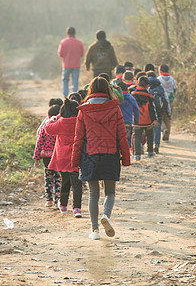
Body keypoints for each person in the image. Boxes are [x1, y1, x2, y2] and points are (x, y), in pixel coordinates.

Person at [71, 77, 131, 240]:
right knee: (110, 193)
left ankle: (95, 230)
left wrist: (75, 161)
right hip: (110, 154)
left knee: (93, 194)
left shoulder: (83, 110)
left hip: (90, 155)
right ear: (108, 90)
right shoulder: (115, 108)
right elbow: (122, 136)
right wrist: (126, 158)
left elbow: (78, 138)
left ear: (90, 90)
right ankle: (106, 215)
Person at [45, 99, 83, 218]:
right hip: (75, 157)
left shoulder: (60, 122)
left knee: (65, 181)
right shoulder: (79, 122)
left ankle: (63, 206)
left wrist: (55, 117)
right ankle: (76, 208)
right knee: (77, 183)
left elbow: (47, 128)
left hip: (62, 158)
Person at [33, 104, 62, 207]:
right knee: (58, 178)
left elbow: (39, 142)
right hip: (58, 157)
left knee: (48, 178)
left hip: (46, 158)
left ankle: (49, 199)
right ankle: (58, 199)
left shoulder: (45, 127)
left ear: (48, 116)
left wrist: (37, 157)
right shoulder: (60, 127)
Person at [132, 76, 158, 160]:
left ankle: (137, 155)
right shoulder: (149, 96)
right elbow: (152, 109)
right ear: (147, 85)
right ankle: (150, 152)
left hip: (137, 119)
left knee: (137, 137)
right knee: (150, 135)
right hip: (147, 120)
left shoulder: (132, 94)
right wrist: (154, 119)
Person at [58, 27, 84, 97]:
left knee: (65, 80)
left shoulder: (63, 42)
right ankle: (74, 96)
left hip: (66, 65)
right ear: (75, 33)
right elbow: (82, 54)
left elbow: (60, 54)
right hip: (76, 65)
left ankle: (65, 95)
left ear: (67, 33)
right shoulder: (79, 42)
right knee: (75, 81)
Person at [148, 76, 169, 154]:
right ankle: (156, 144)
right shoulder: (161, 89)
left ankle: (150, 145)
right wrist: (167, 112)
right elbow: (165, 100)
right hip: (160, 111)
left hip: (151, 111)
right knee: (158, 126)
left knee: (150, 127)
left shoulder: (149, 89)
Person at [157, 64, 177, 142]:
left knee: (160, 117)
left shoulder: (158, 79)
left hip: (161, 101)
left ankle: (163, 128)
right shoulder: (172, 79)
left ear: (160, 71)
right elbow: (175, 90)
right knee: (168, 118)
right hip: (170, 100)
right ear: (168, 71)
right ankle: (167, 136)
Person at [118, 81, 139, 147]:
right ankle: (127, 155)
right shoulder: (131, 98)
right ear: (127, 89)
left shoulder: (115, 98)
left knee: (117, 140)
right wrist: (136, 121)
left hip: (117, 122)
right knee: (127, 140)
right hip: (127, 122)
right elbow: (136, 110)